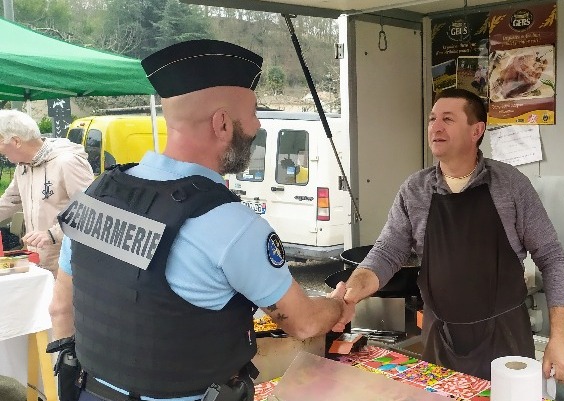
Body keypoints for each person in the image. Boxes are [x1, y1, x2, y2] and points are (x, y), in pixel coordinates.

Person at [48, 39, 351, 401]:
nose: (257, 126)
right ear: (221, 123)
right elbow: (303, 322)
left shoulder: (96, 195)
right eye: (253, 113)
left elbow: (60, 308)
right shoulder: (232, 225)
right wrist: (338, 304)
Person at [338, 88, 564, 382]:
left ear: (476, 131)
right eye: (432, 119)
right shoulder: (415, 189)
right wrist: (351, 292)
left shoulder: (510, 185)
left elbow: (552, 258)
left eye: (448, 119)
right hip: (439, 337)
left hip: (505, 338)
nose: (435, 127)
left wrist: (560, 336)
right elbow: (387, 252)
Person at [0, 109, 93, 277]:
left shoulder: (67, 162)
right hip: (37, 261)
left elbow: (92, 211)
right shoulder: (23, 166)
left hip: (67, 263)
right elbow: (10, 201)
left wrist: (52, 234)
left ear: (16, 141)